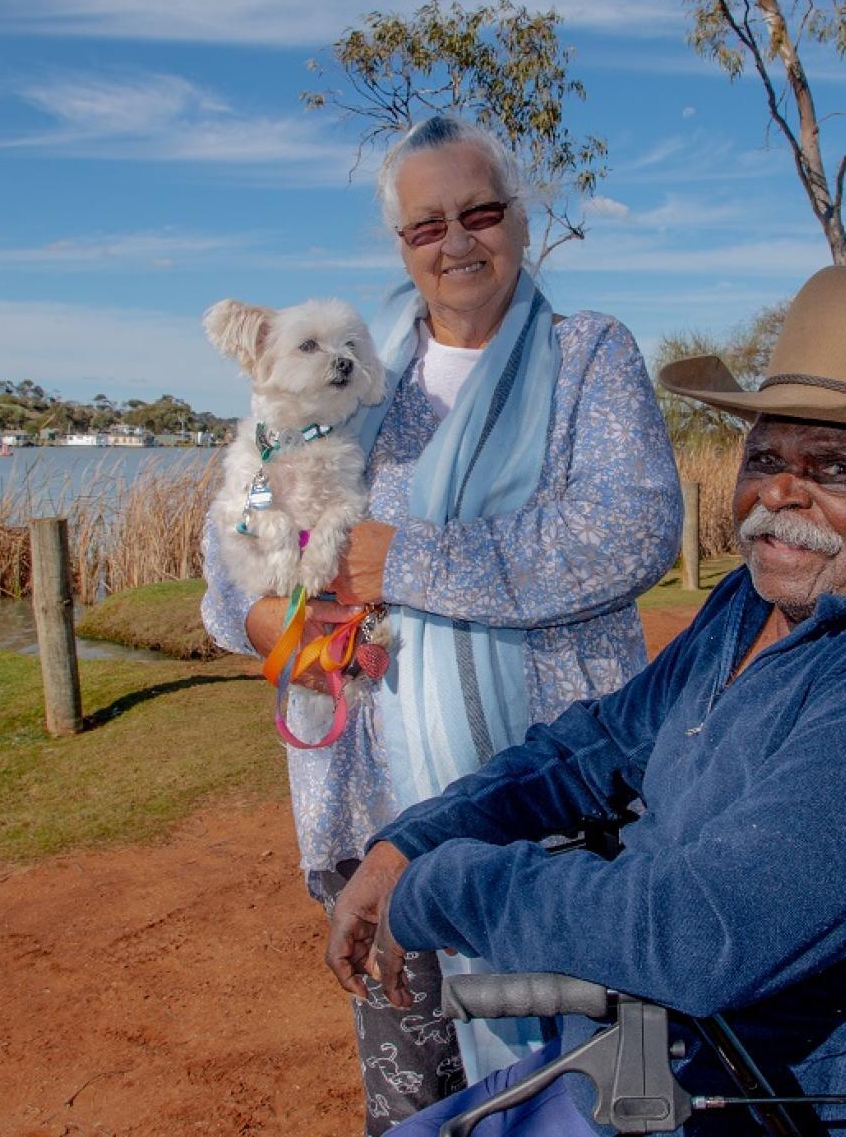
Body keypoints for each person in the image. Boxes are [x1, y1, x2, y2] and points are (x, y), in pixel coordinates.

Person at [324, 265, 846, 1137]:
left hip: (812, 1104)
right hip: (687, 1062)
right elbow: (601, 742)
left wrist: (438, 883)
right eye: (763, 458)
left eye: (835, 465)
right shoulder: (758, 601)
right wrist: (411, 840)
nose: (780, 494)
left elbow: (694, 935)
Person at [201, 114, 682, 1134]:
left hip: (551, 810)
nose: (457, 241)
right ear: (401, 245)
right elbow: (233, 540)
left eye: (480, 212)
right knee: (419, 1105)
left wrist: (402, 559)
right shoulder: (347, 371)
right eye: (428, 225)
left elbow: (628, 533)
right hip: (371, 815)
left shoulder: (585, 356)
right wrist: (273, 627)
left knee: (588, 1092)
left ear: (518, 219)